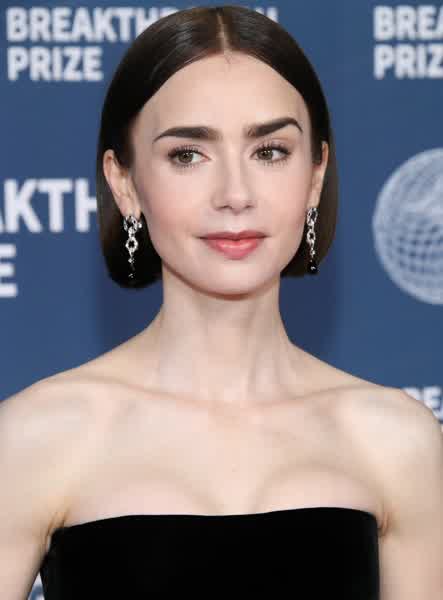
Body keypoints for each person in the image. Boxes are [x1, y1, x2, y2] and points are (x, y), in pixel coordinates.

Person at [1, 5, 442, 599]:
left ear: (315, 176)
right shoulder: (37, 437)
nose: (235, 194)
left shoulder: (397, 442)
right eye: (188, 154)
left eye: (270, 151)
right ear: (124, 183)